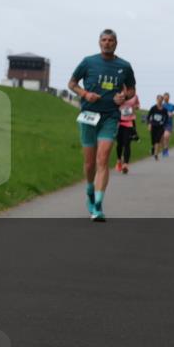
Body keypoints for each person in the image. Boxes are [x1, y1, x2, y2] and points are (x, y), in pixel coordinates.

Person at [68, 29, 137, 222]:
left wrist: (124, 96)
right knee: (90, 163)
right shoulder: (88, 62)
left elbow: (131, 90)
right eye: (104, 40)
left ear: (116, 43)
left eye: (111, 40)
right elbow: (72, 83)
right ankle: (90, 190)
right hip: (89, 115)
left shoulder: (124, 66)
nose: (107, 43)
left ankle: (98, 205)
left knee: (103, 158)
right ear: (99, 42)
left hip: (110, 116)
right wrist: (85, 94)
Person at [115, 91, 140, 174]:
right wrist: (121, 98)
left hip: (129, 122)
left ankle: (125, 164)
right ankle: (119, 160)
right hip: (119, 122)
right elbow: (115, 103)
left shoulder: (134, 96)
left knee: (127, 143)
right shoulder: (118, 93)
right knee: (119, 144)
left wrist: (136, 107)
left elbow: (137, 105)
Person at [146, 93, 168, 160]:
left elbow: (166, 118)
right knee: (153, 140)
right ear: (156, 100)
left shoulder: (164, 110)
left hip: (160, 127)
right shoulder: (153, 108)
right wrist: (149, 124)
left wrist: (164, 124)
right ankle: (153, 148)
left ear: (162, 101)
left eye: (161, 100)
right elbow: (148, 116)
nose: (159, 101)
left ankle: (156, 154)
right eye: (158, 100)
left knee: (157, 139)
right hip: (153, 126)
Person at [161, 92, 174, 157]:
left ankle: (166, 150)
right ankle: (164, 149)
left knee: (166, 136)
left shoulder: (172, 105)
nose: (166, 98)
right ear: (163, 98)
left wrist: (172, 114)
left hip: (169, 123)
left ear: (169, 98)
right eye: (164, 97)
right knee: (162, 138)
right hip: (161, 123)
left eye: (167, 97)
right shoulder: (161, 105)